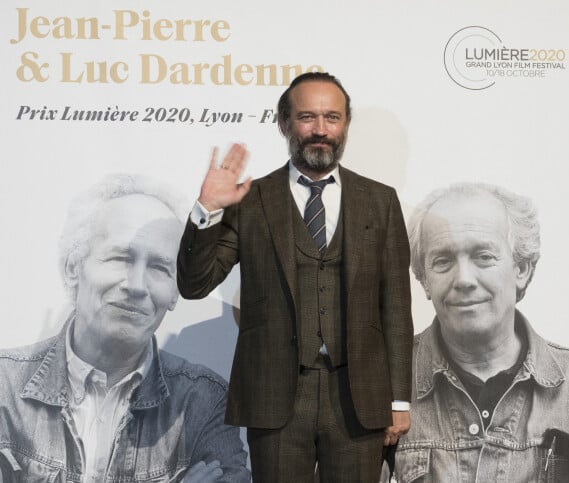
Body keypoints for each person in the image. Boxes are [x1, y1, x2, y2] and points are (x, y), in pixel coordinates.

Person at [177, 72, 414, 482]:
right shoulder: (250, 200)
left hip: (359, 399)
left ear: (345, 125)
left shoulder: (380, 201)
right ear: (284, 123)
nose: (320, 130)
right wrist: (208, 209)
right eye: (307, 117)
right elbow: (194, 284)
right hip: (274, 399)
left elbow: (395, 305)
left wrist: (398, 400)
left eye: (332, 118)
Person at [0, 174, 250, 482]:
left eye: (159, 267)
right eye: (120, 258)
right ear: (73, 268)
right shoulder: (4, 388)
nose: (136, 286)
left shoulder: (203, 400)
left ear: (175, 291)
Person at [394, 182, 569, 482]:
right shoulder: (378, 387)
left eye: (483, 256)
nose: (464, 279)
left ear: (522, 269)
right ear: (424, 279)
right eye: (443, 261)